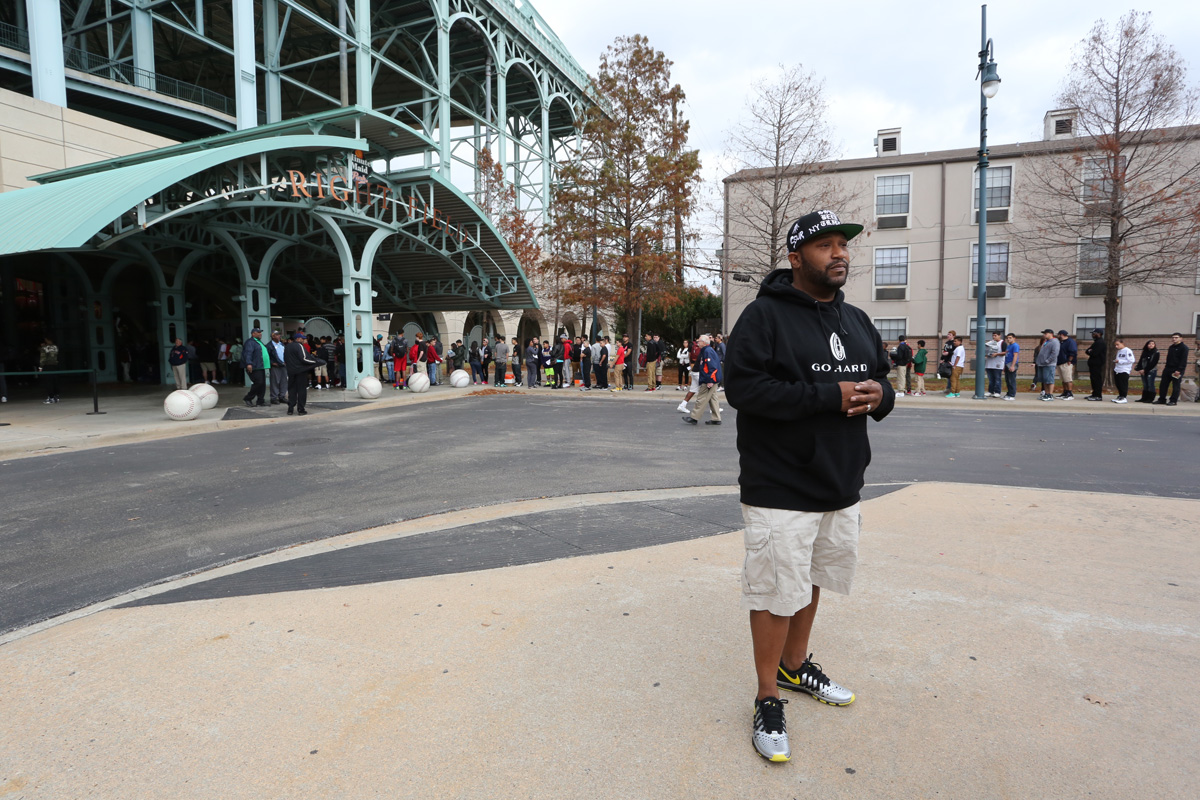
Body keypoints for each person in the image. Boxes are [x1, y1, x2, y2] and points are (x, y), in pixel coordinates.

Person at [725, 210, 894, 764]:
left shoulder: (858, 320)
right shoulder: (763, 317)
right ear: (796, 257)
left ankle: (795, 667)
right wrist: (829, 396)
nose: (839, 253)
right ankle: (766, 696)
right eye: (824, 245)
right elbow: (745, 391)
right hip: (781, 484)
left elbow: (880, 382)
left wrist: (881, 398)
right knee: (776, 590)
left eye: (843, 245)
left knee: (813, 578)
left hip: (841, 482)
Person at [682, 335, 722, 425]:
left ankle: (694, 417)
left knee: (701, 398)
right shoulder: (707, 350)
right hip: (711, 379)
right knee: (713, 398)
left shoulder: (707, 351)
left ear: (704, 343)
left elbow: (712, 367)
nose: (697, 343)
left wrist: (710, 380)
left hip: (709, 379)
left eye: (699, 341)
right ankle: (716, 418)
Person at [284, 333, 323, 415]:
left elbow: (285, 359)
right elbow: (304, 358)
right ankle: (301, 409)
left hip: (291, 371)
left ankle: (290, 408)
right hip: (300, 371)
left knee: (292, 390)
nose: (304, 340)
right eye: (302, 338)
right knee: (301, 390)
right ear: (298, 339)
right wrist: (316, 362)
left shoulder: (287, 346)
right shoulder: (299, 346)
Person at [1155, 332, 1189, 405]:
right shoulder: (1171, 347)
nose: (1174, 339)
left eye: (1176, 337)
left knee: (1175, 386)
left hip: (1177, 370)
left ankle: (1173, 401)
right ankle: (1162, 399)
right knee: (1163, 385)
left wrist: (1179, 370)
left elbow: (1183, 360)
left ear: (1181, 338)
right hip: (1168, 368)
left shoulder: (1184, 348)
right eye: (1173, 337)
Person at [241, 327, 269, 407]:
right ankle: (248, 398)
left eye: (260, 332)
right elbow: (248, 353)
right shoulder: (250, 342)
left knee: (262, 384)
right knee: (258, 382)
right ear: (253, 334)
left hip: (260, 366)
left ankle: (260, 400)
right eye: (258, 332)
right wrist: (249, 363)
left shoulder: (258, 342)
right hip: (254, 366)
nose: (260, 334)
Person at [1035, 329, 1060, 401]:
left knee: (1049, 380)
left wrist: (1047, 361)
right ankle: (1046, 394)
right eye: (1044, 333)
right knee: (1044, 380)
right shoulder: (1047, 342)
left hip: (1049, 364)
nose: (1044, 335)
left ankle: (1050, 395)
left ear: (1051, 334)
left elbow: (1054, 353)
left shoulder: (1055, 342)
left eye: (1046, 333)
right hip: (1042, 364)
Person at [1085, 329, 1107, 401]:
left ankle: (1098, 395)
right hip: (1093, 364)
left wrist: (1090, 351)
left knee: (1097, 380)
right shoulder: (1096, 342)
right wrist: (1090, 351)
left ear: (1099, 334)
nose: (1093, 335)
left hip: (1097, 364)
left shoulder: (1100, 343)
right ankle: (1094, 394)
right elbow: (1087, 351)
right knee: (1093, 379)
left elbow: (1094, 353)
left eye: (1094, 333)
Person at [267, 330, 288, 405]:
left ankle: (282, 396)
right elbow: (267, 356)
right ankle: (274, 398)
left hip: (283, 365)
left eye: (279, 335)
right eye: (277, 335)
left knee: (284, 381)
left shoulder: (281, 344)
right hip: (275, 366)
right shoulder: (269, 346)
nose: (279, 336)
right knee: (275, 382)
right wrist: (272, 363)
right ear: (273, 336)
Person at [38, 337, 61, 403]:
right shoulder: (56, 347)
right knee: (55, 381)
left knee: (48, 382)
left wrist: (40, 367)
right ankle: (56, 396)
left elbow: (43, 358)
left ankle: (51, 397)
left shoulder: (44, 348)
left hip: (47, 366)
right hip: (55, 365)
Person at [1056, 330, 1078, 400]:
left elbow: (1073, 351)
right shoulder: (1061, 342)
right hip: (1060, 362)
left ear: (1062, 335)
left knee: (1068, 379)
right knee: (1063, 379)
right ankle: (1065, 392)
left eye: (1058, 335)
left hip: (1066, 363)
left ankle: (1070, 393)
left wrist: (1069, 360)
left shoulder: (1070, 341)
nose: (1057, 336)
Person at [1112, 339, 1134, 404]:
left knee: (1123, 384)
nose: (1116, 346)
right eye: (1115, 345)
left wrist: (1120, 361)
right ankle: (1120, 396)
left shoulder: (1127, 350)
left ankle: (1124, 397)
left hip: (1124, 370)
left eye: (1117, 344)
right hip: (1117, 370)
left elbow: (1131, 360)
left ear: (1122, 343)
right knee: (1118, 384)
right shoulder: (1119, 351)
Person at [984, 332, 1004, 398]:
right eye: (993, 335)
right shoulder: (990, 343)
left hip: (998, 364)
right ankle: (990, 391)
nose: (994, 337)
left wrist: (997, 354)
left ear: (999, 336)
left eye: (995, 335)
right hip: (989, 364)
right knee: (990, 379)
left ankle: (997, 392)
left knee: (997, 379)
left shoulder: (1002, 343)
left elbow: (1005, 352)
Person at [1003, 332, 1020, 401]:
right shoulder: (1008, 346)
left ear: (1014, 338)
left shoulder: (1015, 346)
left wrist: (1013, 366)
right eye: (1007, 338)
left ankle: (1012, 395)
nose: (1008, 339)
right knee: (1007, 380)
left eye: (1010, 338)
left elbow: (1015, 356)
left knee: (1011, 380)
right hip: (1007, 364)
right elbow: (1006, 356)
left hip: (1011, 364)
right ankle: (1009, 393)